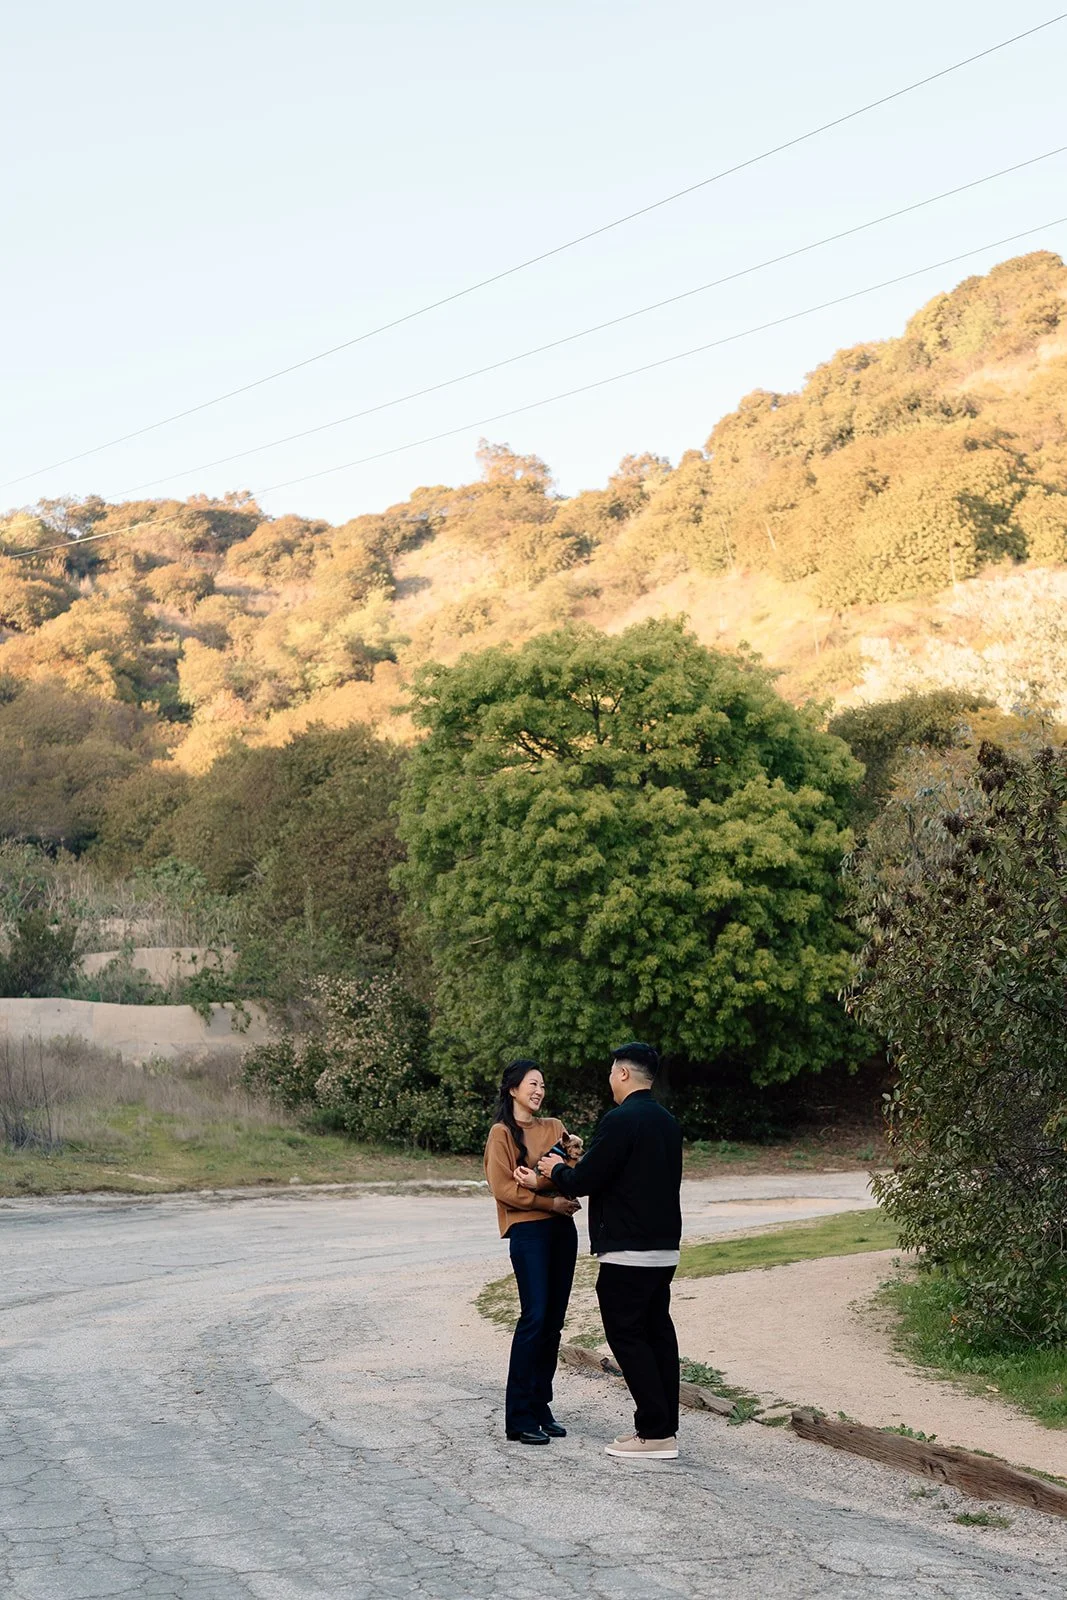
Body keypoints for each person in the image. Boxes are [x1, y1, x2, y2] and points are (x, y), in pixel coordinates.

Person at [518, 1042, 682, 1460]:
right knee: (658, 1334)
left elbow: (586, 1178)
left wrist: (557, 1170)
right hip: (664, 1249)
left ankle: (654, 1433)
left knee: (627, 1336)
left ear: (623, 1074)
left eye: (612, 1071)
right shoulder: (667, 1122)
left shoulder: (622, 1120)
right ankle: (663, 1428)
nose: (610, 1078)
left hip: (628, 1250)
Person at [482, 1059, 583, 1446]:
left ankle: (541, 1406)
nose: (539, 1090)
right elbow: (504, 1189)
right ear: (513, 1089)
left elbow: (572, 1172)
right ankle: (519, 1416)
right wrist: (549, 1200)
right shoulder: (501, 1134)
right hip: (529, 1233)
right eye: (532, 1084)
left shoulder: (555, 1128)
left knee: (554, 1322)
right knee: (535, 1318)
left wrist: (539, 1180)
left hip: (562, 1231)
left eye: (543, 1084)